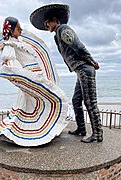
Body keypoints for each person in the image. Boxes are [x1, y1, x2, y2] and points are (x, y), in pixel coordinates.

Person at [0, 16, 72, 147]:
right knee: (39, 105)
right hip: (30, 79)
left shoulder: (17, 41)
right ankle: (29, 133)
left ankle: (48, 129)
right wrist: (23, 76)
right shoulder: (9, 45)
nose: (21, 29)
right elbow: (9, 61)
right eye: (18, 27)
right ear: (11, 29)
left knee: (36, 106)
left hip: (34, 78)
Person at [30, 4, 103, 143]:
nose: (46, 26)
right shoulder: (57, 34)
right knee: (76, 101)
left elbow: (79, 47)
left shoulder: (63, 29)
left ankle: (98, 134)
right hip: (80, 70)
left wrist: (93, 62)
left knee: (90, 102)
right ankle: (81, 129)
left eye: (47, 23)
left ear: (54, 20)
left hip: (85, 68)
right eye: (45, 24)